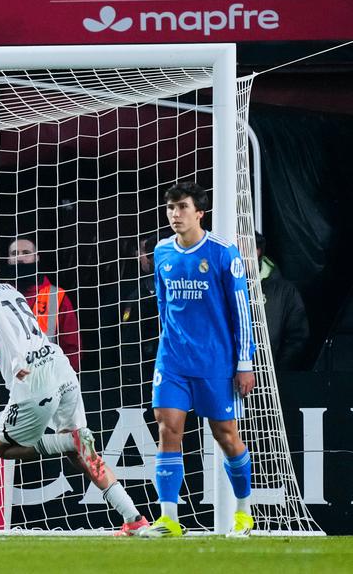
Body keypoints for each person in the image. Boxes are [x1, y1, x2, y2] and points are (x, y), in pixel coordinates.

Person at [0, 247, 149, 535]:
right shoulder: (8, 290)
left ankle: (65, 443)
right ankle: (133, 517)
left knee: (2, 447)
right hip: (58, 364)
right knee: (84, 455)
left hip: (31, 373)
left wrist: (17, 361)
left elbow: (0, 327)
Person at [143, 182, 256, 537]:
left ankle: (243, 511)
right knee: (167, 429)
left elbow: (241, 311)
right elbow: (163, 306)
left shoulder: (224, 253)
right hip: (173, 360)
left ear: (199, 213)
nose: (175, 214)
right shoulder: (162, 252)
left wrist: (244, 362)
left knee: (225, 435)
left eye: (182, 207)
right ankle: (169, 519)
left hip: (215, 362)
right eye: (170, 208)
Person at [5, 237, 81, 371]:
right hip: (3, 379)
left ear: (37, 257)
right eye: (14, 253)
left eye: (26, 252)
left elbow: (72, 345)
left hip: (46, 380)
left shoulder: (56, 296)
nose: (20, 258)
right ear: (8, 260)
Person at [254, 231, 310, 370]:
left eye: (241, 248)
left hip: (268, 382)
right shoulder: (217, 285)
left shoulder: (285, 291)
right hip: (222, 378)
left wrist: (278, 371)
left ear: (258, 251)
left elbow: (297, 336)